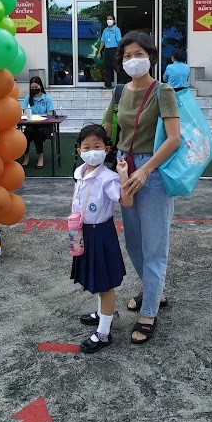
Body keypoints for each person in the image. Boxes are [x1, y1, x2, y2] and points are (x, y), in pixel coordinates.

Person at [104, 30, 180, 345]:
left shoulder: (163, 91)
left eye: (138, 54)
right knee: (134, 243)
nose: (133, 60)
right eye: (127, 56)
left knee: (154, 245)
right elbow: (108, 127)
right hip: (125, 168)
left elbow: (174, 139)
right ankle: (153, 290)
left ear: (150, 56)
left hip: (153, 171)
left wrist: (146, 170)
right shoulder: (119, 92)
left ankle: (149, 311)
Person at [71, 123, 132, 353]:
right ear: (79, 150)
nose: (92, 152)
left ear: (106, 150)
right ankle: (101, 313)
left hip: (101, 234)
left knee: (105, 285)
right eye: (86, 147)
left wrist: (123, 175)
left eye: (97, 146)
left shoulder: (109, 178)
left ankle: (104, 333)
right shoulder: (80, 172)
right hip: (84, 232)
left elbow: (126, 202)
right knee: (96, 279)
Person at [21, 76, 55, 169]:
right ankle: (26, 157)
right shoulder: (28, 98)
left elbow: (50, 114)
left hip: (44, 125)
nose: (34, 89)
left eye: (36, 87)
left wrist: (42, 118)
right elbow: (24, 113)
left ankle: (40, 157)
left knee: (38, 133)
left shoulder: (47, 98)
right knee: (27, 132)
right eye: (32, 88)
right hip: (31, 124)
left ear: (40, 86)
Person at [97, 14, 122, 88]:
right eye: (108, 19)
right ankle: (107, 85)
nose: (109, 20)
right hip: (107, 50)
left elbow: (119, 41)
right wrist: (99, 52)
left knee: (116, 66)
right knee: (107, 67)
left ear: (114, 21)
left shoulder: (116, 29)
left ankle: (122, 83)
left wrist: (120, 51)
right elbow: (103, 42)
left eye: (110, 19)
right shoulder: (105, 30)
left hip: (114, 49)